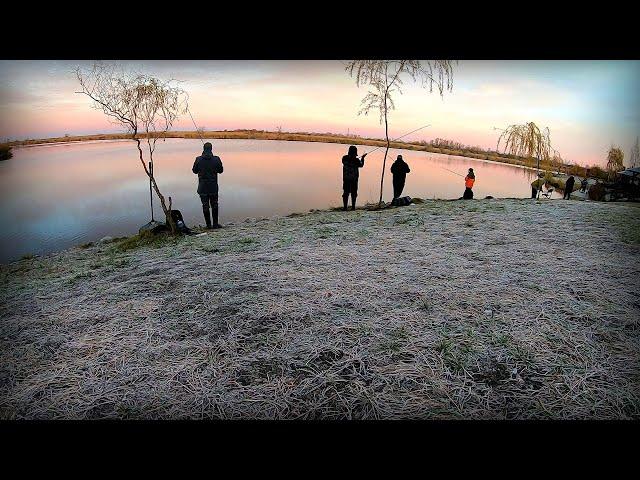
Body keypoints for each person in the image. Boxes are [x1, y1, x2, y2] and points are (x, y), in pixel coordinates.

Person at [192, 142, 223, 229]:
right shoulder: (216, 159)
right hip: (213, 187)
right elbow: (221, 171)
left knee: (205, 205)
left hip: (202, 187)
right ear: (211, 149)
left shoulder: (198, 159)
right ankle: (215, 224)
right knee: (215, 205)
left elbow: (194, 171)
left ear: (203, 149)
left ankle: (208, 225)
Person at [342, 145, 366, 211]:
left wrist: (359, 158)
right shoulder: (356, 160)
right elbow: (361, 165)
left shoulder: (344, 158)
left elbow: (347, 162)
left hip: (346, 179)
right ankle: (352, 208)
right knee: (353, 193)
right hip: (354, 179)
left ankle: (345, 208)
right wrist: (363, 158)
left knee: (346, 193)